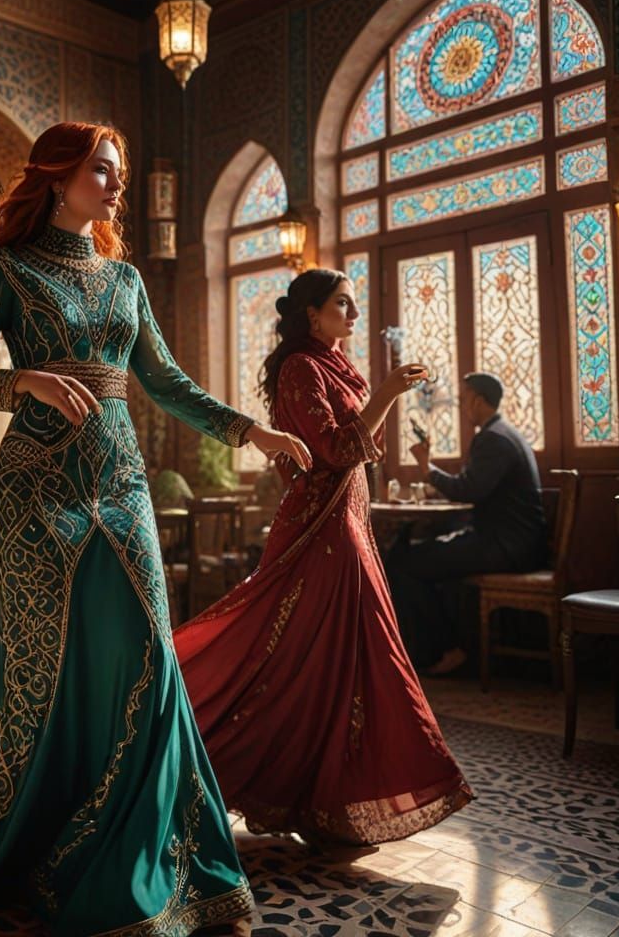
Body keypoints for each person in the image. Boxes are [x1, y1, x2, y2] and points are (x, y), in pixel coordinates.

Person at [0, 121, 310, 936]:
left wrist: (249, 432)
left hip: (120, 485)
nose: (116, 183)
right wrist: (25, 381)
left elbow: (164, 381)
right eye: (102, 169)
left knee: (147, 653)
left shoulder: (126, 279)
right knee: (40, 666)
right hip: (35, 487)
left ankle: (133, 847)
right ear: (58, 179)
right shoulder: (8, 268)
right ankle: (21, 838)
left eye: (117, 171)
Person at [174, 268, 472, 846]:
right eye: (343, 305)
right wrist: (384, 393)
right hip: (319, 527)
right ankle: (186, 754)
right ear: (312, 314)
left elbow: (365, 445)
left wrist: (381, 398)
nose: (355, 316)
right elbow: (333, 450)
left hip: (349, 519)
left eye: (355, 306)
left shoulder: (339, 366)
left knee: (344, 659)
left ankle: (329, 799)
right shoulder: (299, 368)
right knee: (297, 655)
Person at [388, 372, 547, 675]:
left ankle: (443, 651)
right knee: (416, 556)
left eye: (463, 400)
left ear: (477, 400)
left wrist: (426, 467)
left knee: (402, 563)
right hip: (509, 541)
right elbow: (473, 488)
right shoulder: (501, 433)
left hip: (507, 547)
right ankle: (446, 647)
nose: (462, 407)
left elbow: (468, 490)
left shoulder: (493, 438)